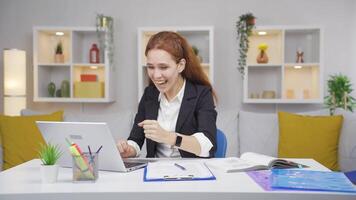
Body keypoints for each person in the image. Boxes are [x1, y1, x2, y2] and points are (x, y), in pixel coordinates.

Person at [117, 31, 217, 158]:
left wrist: (168, 137)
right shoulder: (149, 94)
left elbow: (208, 145)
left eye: (163, 67)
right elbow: (136, 139)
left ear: (180, 65)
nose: (156, 75)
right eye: (151, 67)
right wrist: (128, 149)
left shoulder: (201, 94)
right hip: (156, 171)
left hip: (191, 172)